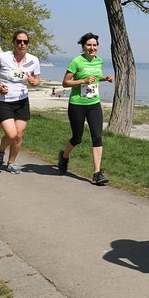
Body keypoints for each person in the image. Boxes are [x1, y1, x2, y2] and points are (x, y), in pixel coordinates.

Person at [57, 33, 115, 185]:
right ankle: (64, 156)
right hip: (77, 104)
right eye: (89, 45)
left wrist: (105, 78)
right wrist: (82, 80)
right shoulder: (76, 61)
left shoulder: (99, 61)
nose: (92, 48)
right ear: (83, 47)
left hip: (94, 104)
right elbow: (65, 83)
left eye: (94, 45)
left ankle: (97, 173)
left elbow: (94, 78)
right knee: (77, 138)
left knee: (97, 137)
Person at [0, 31, 41, 174]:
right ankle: (1, 150)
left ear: (28, 44)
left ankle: (11, 162)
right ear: (13, 43)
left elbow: (37, 80)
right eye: (19, 41)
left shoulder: (33, 60)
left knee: (19, 135)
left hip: (22, 101)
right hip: (4, 101)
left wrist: (33, 81)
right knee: (11, 135)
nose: (22, 44)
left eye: (25, 42)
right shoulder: (1, 58)